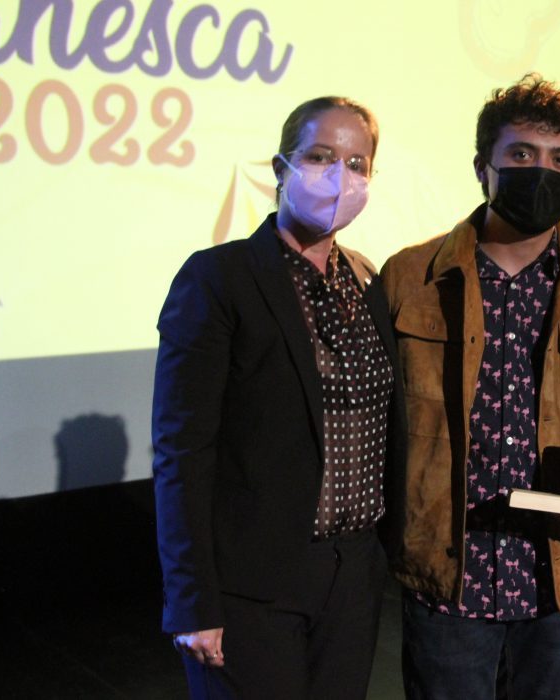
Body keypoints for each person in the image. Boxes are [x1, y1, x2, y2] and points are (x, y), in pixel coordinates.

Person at [378, 74, 560, 699]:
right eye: (521, 154)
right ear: (481, 167)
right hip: (447, 580)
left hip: (554, 580)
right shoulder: (409, 278)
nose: (542, 171)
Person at [152, 96, 404, 699]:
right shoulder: (220, 278)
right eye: (320, 157)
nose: (339, 176)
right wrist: (192, 599)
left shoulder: (367, 280)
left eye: (357, 164)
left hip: (351, 576)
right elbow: (183, 450)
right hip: (252, 584)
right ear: (280, 168)